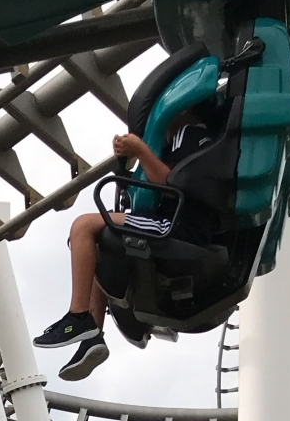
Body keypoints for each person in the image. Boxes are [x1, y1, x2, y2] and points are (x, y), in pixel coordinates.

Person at [34, 109, 220, 383]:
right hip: (172, 221)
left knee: (83, 226)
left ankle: (78, 316)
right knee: (94, 239)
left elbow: (171, 181)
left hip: (176, 227)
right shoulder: (185, 141)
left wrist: (141, 150)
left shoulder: (191, 134)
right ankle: (91, 336)